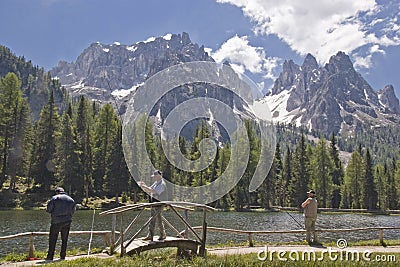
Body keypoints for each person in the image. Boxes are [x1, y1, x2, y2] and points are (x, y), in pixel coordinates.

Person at [45, 187, 76, 261]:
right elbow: (73, 210)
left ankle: (50, 256)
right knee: (64, 239)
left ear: (57, 192)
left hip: (56, 221)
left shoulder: (55, 198)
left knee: (53, 239)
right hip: (67, 221)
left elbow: (49, 209)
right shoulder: (71, 199)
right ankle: (62, 256)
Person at [138, 170, 167, 241]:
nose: (153, 178)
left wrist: (145, 186)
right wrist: (143, 186)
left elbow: (154, 191)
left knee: (158, 220)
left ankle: (162, 235)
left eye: (154, 176)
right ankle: (151, 235)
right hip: (154, 204)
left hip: (158, 204)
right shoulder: (156, 183)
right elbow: (149, 190)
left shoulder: (162, 184)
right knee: (152, 220)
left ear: (158, 176)